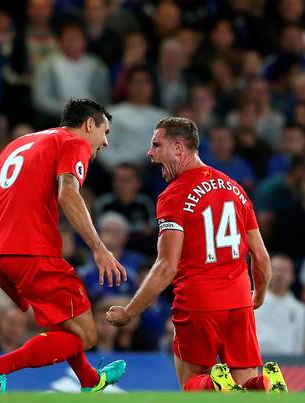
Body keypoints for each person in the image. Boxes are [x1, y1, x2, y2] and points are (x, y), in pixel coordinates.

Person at [106, 117, 287, 393]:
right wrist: (257, 296)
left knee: (192, 385)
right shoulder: (235, 189)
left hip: (199, 303)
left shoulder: (174, 195)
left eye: (156, 145)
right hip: (239, 302)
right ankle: (262, 382)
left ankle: (214, 384)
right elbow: (261, 257)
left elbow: (166, 266)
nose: (150, 153)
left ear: (179, 148)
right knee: (243, 388)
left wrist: (130, 312)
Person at [0, 99, 127, 393]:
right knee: (87, 335)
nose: (105, 142)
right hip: (31, 251)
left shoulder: (18, 144)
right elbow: (68, 194)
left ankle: (90, 381)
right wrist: (100, 249)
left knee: (65, 324)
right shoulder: (73, 143)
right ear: (89, 125)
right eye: (105, 132)